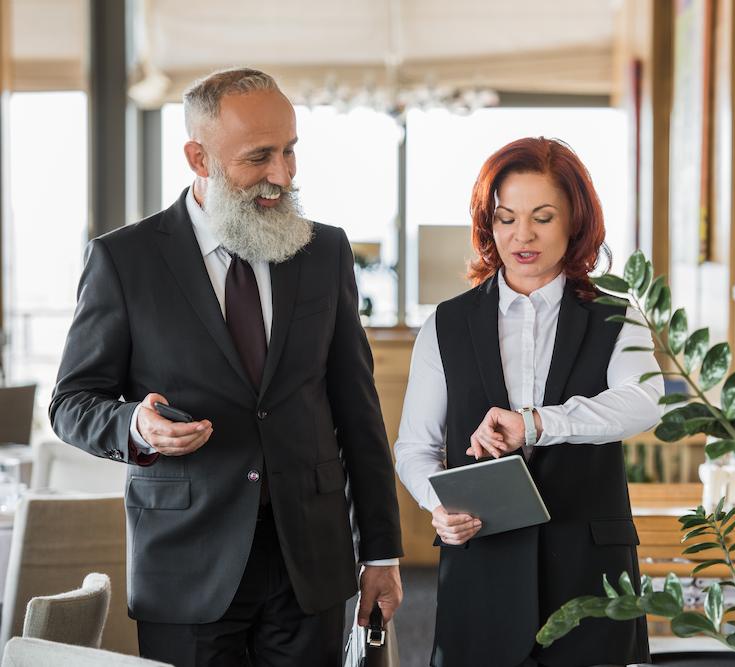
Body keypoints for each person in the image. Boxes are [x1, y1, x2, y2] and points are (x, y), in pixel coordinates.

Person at [49, 68, 403, 667]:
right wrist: (136, 426)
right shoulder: (125, 260)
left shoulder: (325, 252)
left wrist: (383, 553)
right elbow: (71, 403)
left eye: (290, 151)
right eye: (259, 156)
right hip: (185, 563)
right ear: (198, 156)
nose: (282, 175)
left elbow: (357, 410)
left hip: (310, 562)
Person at [395, 137, 664, 667]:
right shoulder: (446, 324)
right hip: (482, 568)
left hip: (591, 572)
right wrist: (438, 506)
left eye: (543, 217)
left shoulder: (616, 315)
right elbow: (414, 448)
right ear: (488, 224)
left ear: (574, 221)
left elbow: (645, 401)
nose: (523, 235)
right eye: (505, 217)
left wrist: (537, 423)